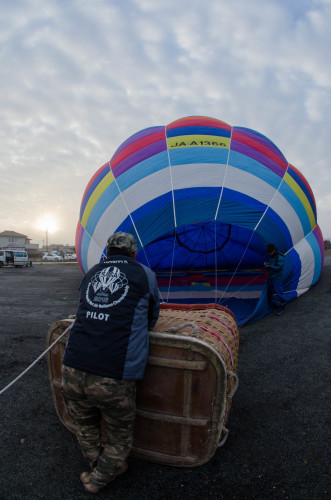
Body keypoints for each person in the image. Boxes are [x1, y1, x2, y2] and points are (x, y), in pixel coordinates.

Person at [61, 232, 160, 494]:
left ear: (107, 251)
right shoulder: (145, 274)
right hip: (113, 372)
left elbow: (84, 306)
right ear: (134, 253)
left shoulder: (91, 272)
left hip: (72, 365)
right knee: (120, 435)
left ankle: (99, 464)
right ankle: (99, 478)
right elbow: (152, 316)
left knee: (85, 424)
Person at [264, 243, 286, 316]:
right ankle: (271, 306)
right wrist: (267, 265)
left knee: (279, 293)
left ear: (274, 250)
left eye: (271, 252)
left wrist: (269, 267)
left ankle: (283, 309)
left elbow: (278, 268)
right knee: (269, 292)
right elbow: (272, 265)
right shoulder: (271, 257)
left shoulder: (280, 257)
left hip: (277, 278)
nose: (270, 254)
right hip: (271, 277)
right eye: (269, 252)